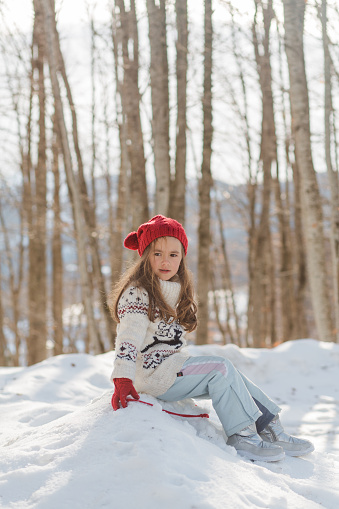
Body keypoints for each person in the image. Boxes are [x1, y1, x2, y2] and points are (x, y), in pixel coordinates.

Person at [109, 215, 314, 462]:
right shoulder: (137, 292)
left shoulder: (174, 288)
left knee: (231, 374)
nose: (166, 261)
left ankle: (271, 427)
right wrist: (122, 377)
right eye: (157, 254)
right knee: (220, 367)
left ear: (182, 257)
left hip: (170, 369)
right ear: (145, 256)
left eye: (173, 255)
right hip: (150, 375)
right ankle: (242, 434)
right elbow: (128, 336)